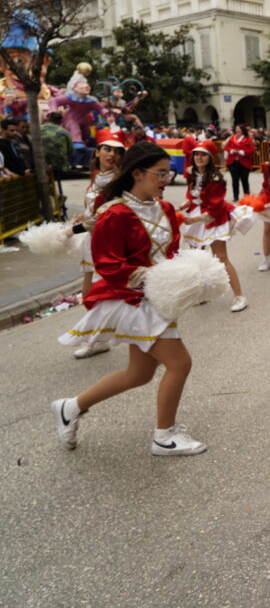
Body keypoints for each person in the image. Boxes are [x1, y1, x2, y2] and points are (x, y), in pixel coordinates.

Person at [51, 142, 206, 456]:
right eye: (160, 173)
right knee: (179, 364)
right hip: (132, 299)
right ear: (138, 172)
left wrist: (184, 274)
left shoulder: (164, 209)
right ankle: (164, 437)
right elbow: (107, 264)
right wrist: (147, 277)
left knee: (139, 374)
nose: (166, 179)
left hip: (160, 298)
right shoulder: (115, 213)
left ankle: (70, 408)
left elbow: (171, 251)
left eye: (169, 173)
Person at [68, 129, 125, 359]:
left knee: (104, 288)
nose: (112, 154)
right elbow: (91, 212)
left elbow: (106, 216)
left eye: (117, 151)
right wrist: (80, 218)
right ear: (98, 151)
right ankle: (98, 337)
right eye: (107, 149)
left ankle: (99, 337)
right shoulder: (95, 178)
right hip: (93, 238)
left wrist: (71, 230)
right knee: (89, 284)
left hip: (109, 239)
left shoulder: (119, 180)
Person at [179, 141, 251, 313]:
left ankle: (240, 296)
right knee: (197, 258)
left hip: (212, 219)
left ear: (210, 158)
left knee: (221, 258)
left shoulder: (216, 178)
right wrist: (183, 205)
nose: (199, 157)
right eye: (196, 154)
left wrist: (196, 218)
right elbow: (192, 196)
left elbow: (215, 208)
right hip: (197, 217)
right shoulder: (192, 174)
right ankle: (203, 294)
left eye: (203, 154)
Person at [224, 125, 255, 201]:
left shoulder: (248, 140)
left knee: (244, 180)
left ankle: (247, 197)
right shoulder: (232, 138)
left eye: (239, 129)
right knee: (235, 180)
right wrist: (231, 150)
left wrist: (242, 152)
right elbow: (226, 147)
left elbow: (252, 150)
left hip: (244, 163)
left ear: (242, 130)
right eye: (236, 129)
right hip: (233, 162)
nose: (237, 131)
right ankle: (235, 197)